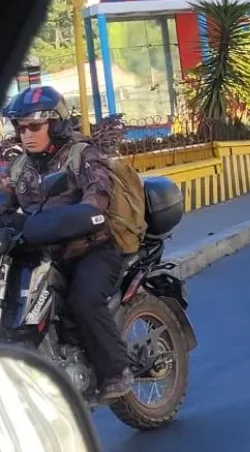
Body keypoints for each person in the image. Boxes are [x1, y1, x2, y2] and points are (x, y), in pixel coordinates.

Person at [0, 86, 133, 400]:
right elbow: (5, 200)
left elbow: (96, 200)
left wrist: (74, 217)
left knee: (83, 301)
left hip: (91, 250)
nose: (26, 134)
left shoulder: (82, 154)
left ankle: (116, 370)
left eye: (34, 126)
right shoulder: (21, 166)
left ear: (56, 123)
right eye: (21, 128)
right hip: (43, 254)